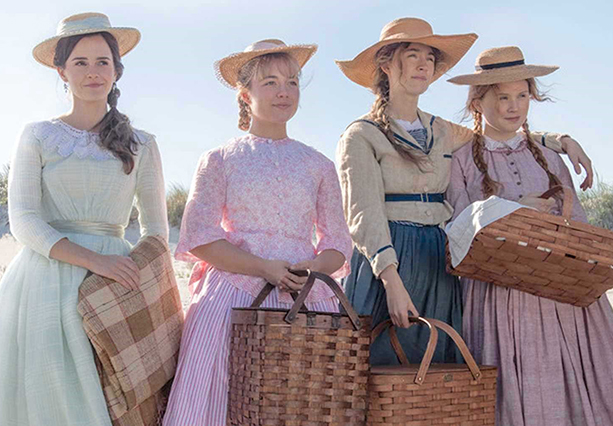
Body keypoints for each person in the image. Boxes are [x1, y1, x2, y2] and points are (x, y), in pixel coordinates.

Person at [335, 17, 593, 366]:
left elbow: (499, 132)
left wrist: (560, 140)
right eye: (412, 55)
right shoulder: (360, 136)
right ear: (385, 64)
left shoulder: (442, 130)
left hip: (438, 257)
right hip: (388, 257)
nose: (424, 64)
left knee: (438, 365)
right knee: (381, 366)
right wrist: (391, 281)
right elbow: (363, 213)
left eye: (430, 56)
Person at [162, 39, 353, 426]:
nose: (284, 90)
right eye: (270, 82)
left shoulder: (318, 164)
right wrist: (264, 268)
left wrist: (313, 266)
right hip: (234, 296)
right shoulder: (219, 159)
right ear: (245, 94)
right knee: (219, 401)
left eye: (293, 81)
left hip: (305, 297)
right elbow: (200, 236)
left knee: (299, 404)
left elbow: (339, 243)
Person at [0, 12, 168, 426]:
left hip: (116, 284)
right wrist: (95, 261)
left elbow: (157, 229)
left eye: (102, 62)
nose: (92, 72)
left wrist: (135, 275)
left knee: (117, 402)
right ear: (61, 71)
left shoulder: (142, 143)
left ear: (116, 71)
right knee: (48, 399)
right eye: (80, 62)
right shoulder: (37, 135)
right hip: (44, 280)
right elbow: (22, 218)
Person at [445, 46, 613, 426]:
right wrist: (510, 211)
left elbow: (581, 226)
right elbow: (458, 232)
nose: (513, 106)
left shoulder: (550, 157)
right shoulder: (461, 161)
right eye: (502, 96)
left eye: (522, 95)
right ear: (478, 99)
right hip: (502, 295)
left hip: (564, 296)